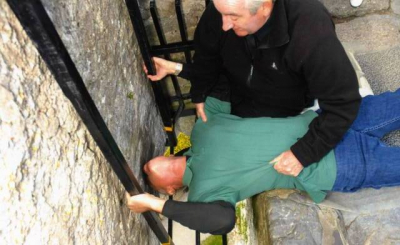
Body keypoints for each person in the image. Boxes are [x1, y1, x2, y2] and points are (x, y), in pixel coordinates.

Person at [126, 89, 400, 234]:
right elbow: (222, 220)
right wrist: (155, 205)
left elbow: (223, 82)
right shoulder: (204, 193)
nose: (148, 166)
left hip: (325, 121)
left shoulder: (202, 128)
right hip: (334, 164)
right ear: (171, 190)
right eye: (148, 178)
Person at [146, 0, 362, 178]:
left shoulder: (309, 31)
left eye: (234, 17)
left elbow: (344, 103)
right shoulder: (222, 11)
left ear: (265, 7)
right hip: (241, 97)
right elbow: (207, 55)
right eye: (221, 13)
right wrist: (199, 92)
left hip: (285, 107)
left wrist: (302, 155)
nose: (224, 25)